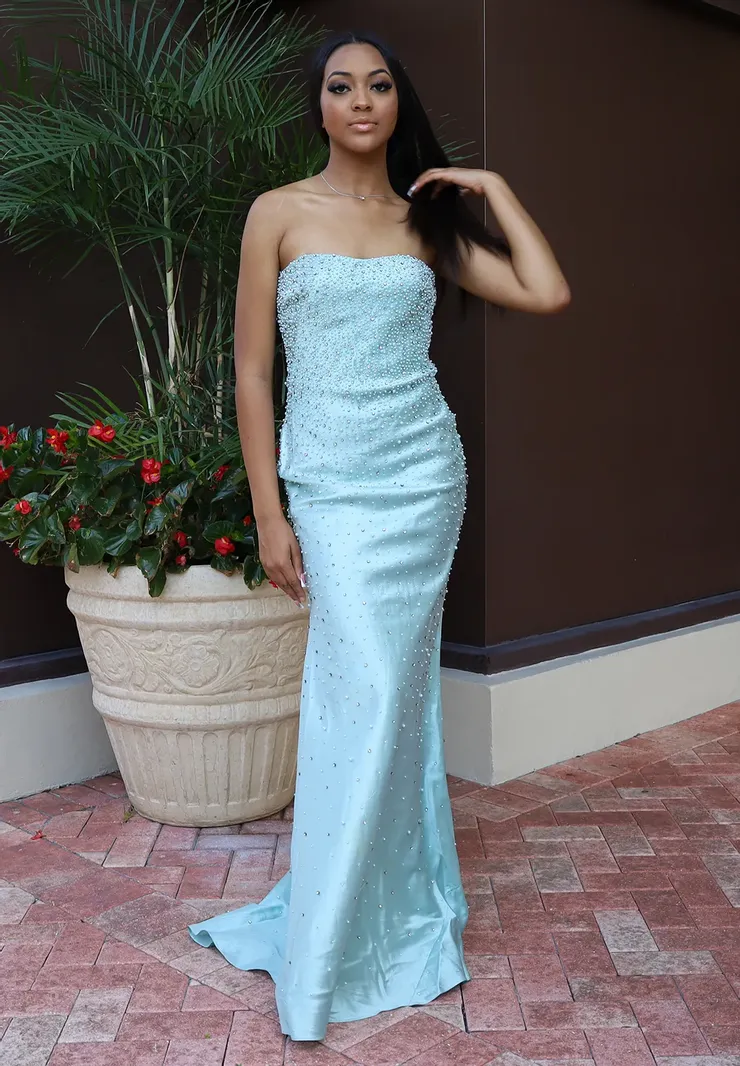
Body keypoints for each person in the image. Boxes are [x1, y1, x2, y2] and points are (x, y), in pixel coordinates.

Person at [188, 29, 570, 1043]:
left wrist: (493, 189)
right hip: (327, 485)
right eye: (340, 86)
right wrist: (268, 511)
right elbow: (252, 373)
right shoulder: (276, 213)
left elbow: (546, 291)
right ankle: (328, 935)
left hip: (421, 478)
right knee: (355, 694)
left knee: (392, 701)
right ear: (317, 105)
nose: (360, 101)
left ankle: (383, 911)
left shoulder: (425, 222)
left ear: (398, 104)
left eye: (379, 86)